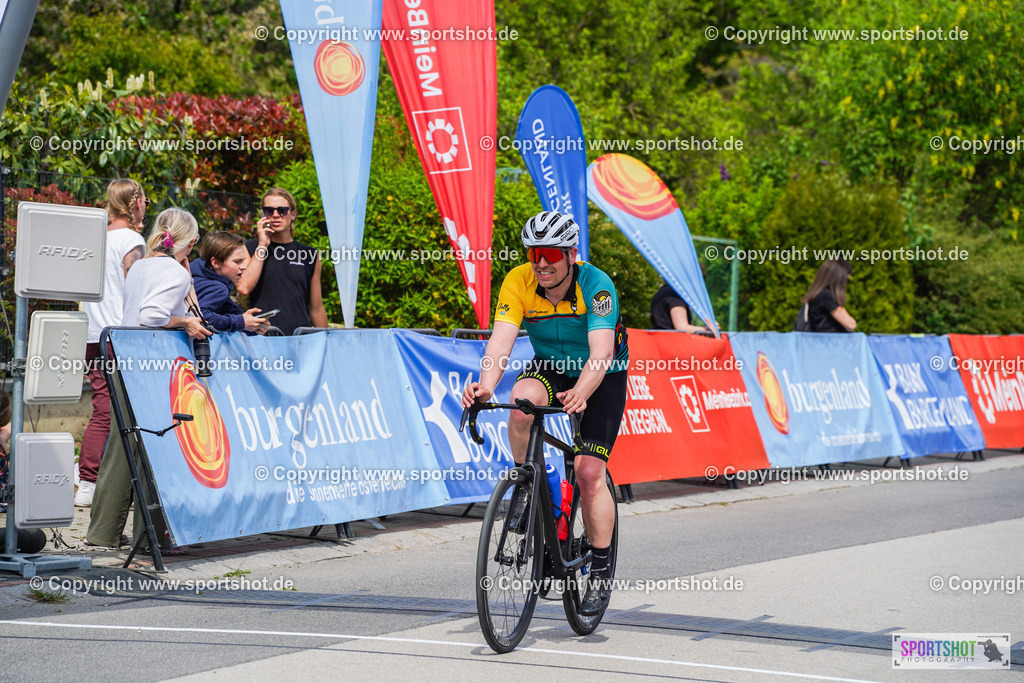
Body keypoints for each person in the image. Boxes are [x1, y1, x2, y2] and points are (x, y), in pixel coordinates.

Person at [462, 211, 629, 616]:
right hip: (552, 363)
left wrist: (581, 393)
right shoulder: (518, 280)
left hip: (601, 374)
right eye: (534, 253)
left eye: (551, 253)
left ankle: (601, 573)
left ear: (572, 254)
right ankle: (530, 483)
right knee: (521, 403)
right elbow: (500, 344)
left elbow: (601, 354)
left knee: (589, 473)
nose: (541, 263)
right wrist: (485, 384)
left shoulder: (597, 285)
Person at [85, 208, 212, 550]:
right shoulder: (175, 272)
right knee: (156, 447)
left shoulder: (141, 264)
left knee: (120, 448)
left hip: (124, 360)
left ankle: (103, 533)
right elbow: (151, 316)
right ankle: (152, 534)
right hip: (151, 368)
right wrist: (185, 322)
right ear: (192, 241)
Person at [77, 179, 147, 507]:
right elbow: (136, 288)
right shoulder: (132, 240)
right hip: (118, 333)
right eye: (144, 199)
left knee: (103, 406)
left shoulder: (96, 236)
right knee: (112, 409)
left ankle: (92, 479)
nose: (146, 205)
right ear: (135, 204)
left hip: (91, 331)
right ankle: (91, 481)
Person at [236, 188, 327, 335]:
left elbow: (316, 308)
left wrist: (325, 341)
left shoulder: (310, 254)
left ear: (293, 214)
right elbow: (244, 288)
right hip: (263, 336)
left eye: (282, 210)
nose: (276, 215)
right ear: (263, 215)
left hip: (299, 338)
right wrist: (262, 245)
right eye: (269, 211)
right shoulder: (251, 248)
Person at [190, 231, 269, 334]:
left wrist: (251, 326)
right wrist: (241, 322)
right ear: (216, 263)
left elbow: (229, 310)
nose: (244, 267)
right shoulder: (218, 288)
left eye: (243, 261)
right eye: (237, 261)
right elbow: (201, 316)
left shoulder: (197, 273)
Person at [800, 258, 856, 333]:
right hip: (829, 342)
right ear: (838, 279)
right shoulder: (826, 296)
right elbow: (850, 324)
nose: (845, 284)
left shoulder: (818, 294)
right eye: (846, 280)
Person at [650, 280, 714, 333]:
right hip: (670, 343)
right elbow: (682, 328)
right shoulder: (675, 293)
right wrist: (706, 329)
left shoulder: (665, 291)